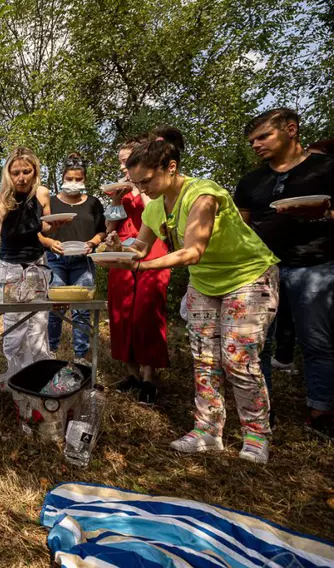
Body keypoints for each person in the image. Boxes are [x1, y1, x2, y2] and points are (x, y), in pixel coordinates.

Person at [101, 127, 279, 463]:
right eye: (137, 184)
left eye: (147, 182)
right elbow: (138, 247)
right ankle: (207, 432)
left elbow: (193, 251)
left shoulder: (203, 194)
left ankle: (256, 436)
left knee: (239, 361)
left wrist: (141, 266)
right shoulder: (154, 207)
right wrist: (117, 250)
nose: (142, 190)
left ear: (170, 167)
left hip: (248, 277)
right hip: (205, 283)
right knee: (205, 359)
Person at [235, 108, 334, 438]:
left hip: (315, 267)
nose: (256, 145)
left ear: (291, 130)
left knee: (317, 342)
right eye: (252, 141)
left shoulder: (325, 167)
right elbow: (241, 227)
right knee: (258, 346)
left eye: (264, 136)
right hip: (262, 269)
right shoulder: (251, 181)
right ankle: (262, 413)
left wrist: (326, 212)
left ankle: (320, 413)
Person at [0, 147, 63, 375]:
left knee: (38, 327)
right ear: (8, 174)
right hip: (10, 269)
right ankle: (16, 380)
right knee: (15, 328)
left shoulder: (42, 194)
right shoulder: (3, 200)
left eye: (26, 171)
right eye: (15, 172)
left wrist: (55, 227)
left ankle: (38, 380)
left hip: (37, 267)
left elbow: (45, 230)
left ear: (35, 171)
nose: (21, 178)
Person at [104, 142, 171, 404]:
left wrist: (137, 187)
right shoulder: (120, 189)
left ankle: (148, 378)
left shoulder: (153, 186)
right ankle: (131, 375)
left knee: (146, 313)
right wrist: (115, 199)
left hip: (152, 249)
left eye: (127, 161)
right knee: (121, 313)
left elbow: (158, 216)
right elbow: (110, 224)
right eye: (120, 162)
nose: (123, 167)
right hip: (120, 251)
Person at [40, 154, 106, 363]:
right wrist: (50, 243)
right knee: (55, 309)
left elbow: (102, 231)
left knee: (82, 311)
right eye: (70, 179)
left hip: (83, 262)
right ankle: (50, 354)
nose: (74, 183)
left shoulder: (94, 203)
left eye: (78, 179)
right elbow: (38, 231)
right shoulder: (50, 202)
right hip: (55, 260)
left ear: (84, 179)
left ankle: (81, 359)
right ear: (63, 178)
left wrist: (93, 243)